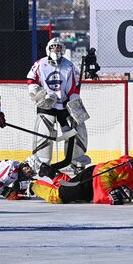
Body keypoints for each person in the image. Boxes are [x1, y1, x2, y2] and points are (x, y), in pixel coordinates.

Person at [26, 37, 90, 171]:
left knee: (77, 129)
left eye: (58, 47)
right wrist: (40, 95)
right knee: (44, 131)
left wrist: (74, 103)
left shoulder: (69, 66)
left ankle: (75, 158)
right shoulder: (40, 64)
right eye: (53, 47)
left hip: (65, 105)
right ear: (48, 49)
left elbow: (74, 87)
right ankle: (42, 161)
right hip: (46, 105)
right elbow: (31, 81)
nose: (56, 50)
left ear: (63, 49)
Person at [33, 149, 133, 205]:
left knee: (71, 189)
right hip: (92, 178)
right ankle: (33, 185)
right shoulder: (127, 165)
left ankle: (52, 173)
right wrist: (109, 192)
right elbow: (103, 171)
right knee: (57, 197)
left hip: (96, 191)